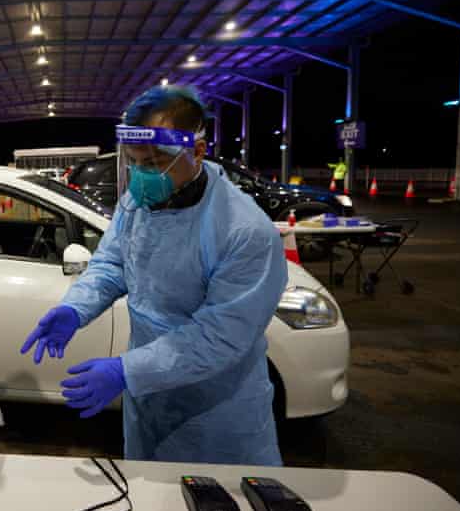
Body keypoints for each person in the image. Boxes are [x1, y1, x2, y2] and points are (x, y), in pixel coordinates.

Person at [20, 85, 288, 466]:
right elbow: (113, 263)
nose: (144, 174)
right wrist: (75, 309)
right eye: (136, 162)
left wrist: (127, 370)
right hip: (149, 397)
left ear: (197, 151)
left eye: (157, 160)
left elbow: (220, 336)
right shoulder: (139, 201)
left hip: (216, 411)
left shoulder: (243, 231)